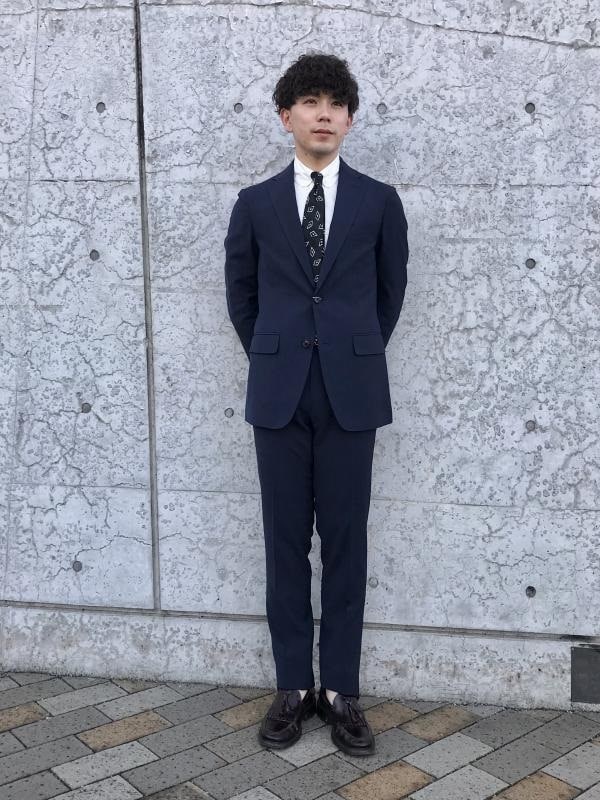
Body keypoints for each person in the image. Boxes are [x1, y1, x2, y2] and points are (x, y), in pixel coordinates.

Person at [224, 52, 409, 757]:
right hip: (279, 393)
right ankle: (293, 687)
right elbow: (241, 295)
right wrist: (275, 353)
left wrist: (349, 351)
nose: (323, 114)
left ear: (350, 120)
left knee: (346, 542)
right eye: (310, 102)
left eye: (336, 104)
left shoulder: (379, 201)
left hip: (350, 394)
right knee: (283, 543)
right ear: (287, 116)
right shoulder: (255, 204)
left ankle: (340, 692)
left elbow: (389, 293)